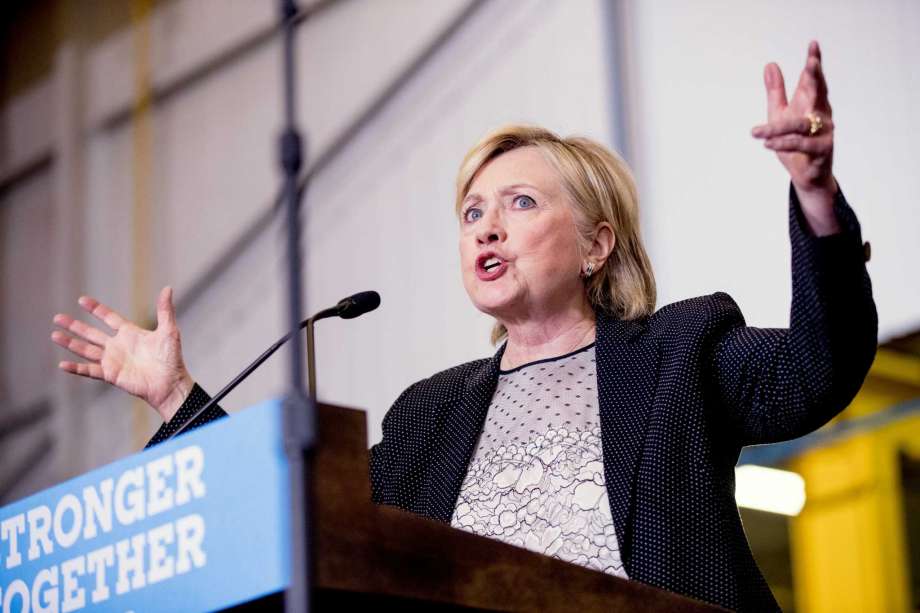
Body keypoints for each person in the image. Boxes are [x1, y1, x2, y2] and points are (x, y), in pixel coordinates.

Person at [51, 41, 876, 611]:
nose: (486, 227)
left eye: (520, 204)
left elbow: (817, 370)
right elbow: (297, 518)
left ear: (597, 243)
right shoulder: (430, 416)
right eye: (472, 211)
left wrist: (814, 193)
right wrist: (174, 395)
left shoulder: (678, 353)